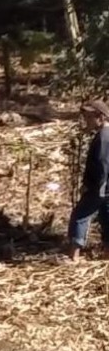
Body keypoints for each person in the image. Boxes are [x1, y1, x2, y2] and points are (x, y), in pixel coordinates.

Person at [67, 100, 109, 261]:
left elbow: (103, 164)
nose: (86, 121)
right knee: (106, 220)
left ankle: (74, 256)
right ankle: (106, 258)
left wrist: (96, 186)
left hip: (99, 187)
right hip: (106, 188)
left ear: (101, 117)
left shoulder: (103, 137)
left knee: (80, 216)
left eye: (89, 117)